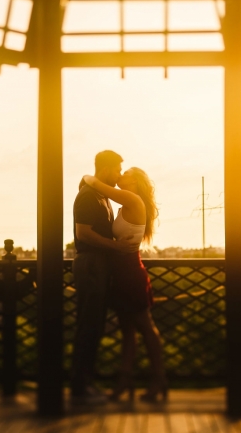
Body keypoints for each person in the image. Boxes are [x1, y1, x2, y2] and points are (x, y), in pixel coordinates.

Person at [82, 167, 166, 402]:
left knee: (146, 328)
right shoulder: (125, 203)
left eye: (125, 172)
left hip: (130, 274)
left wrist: (87, 178)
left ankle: (159, 379)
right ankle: (125, 380)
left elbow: (97, 185)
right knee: (128, 331)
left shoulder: (132, 198)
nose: (121, 174)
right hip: (120, 274)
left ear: (136, 181)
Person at [71, 150, 138, 405]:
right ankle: (80, 385)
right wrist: (117, 248)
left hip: (97, 265)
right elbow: (85, 235)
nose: (120, 174)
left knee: (93, 325)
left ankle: (84, 381)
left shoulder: (99, 195)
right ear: (107, 168)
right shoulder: (88, 196)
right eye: (118, 169)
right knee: (88, 325)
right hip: (90, 264)